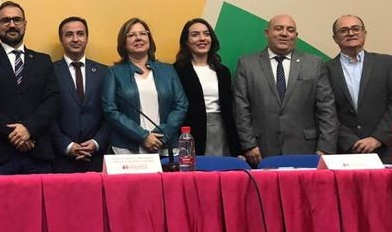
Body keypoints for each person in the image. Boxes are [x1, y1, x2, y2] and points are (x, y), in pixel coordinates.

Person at [233, 14, 338, 167]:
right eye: (278, 28)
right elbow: (241, 108)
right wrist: (249, 145)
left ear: (296, 35)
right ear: (266, 33)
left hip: (306, 150)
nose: (284, 33)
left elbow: (326, 109)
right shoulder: (247, 64)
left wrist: (326, 148)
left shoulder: (314, 63)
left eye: (290, 30)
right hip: (262, 150)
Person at [0, 1, 59, 174]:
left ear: (25, 24)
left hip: (37, 153)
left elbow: (53, 100)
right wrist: (15, 134)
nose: (12, 25)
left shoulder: (43, 61)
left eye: (17, 20)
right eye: (5, 21)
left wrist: (29, 129)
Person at [324, 15, 392, 163]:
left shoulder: (386, 64)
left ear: (364, 33)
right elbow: (325, 111)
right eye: (344, 30)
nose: (351, 33)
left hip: (382, 150)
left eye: (356, 28)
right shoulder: (325, 69)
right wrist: (349, 141)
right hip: (343, 153)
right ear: (335, 38)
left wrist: (377, 138)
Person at [102, 17, 188, 156]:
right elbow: (110, 110)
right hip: (128, 150)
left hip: (165, 148)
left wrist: (161, 135)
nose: (138, 38)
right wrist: (143, 136)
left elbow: (181, 105)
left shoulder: (168, 70)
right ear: (123, 43)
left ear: (149, 39)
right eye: (131, 35)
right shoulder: (113, 73)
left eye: (143, 33)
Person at [173, 19, 242, 156]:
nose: (202, 38)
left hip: (222, 131)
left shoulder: (223, 72)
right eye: (195, 35)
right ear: (186, 41)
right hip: (191, 133)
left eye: (206, 34)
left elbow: (230, 110)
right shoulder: (176, 71)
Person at [50, 17, 108, 172]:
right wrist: (66, 145)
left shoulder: (105, 72)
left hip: (97, 158)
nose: (75, 39)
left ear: (87, 38)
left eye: (80, 34)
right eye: (69, 34)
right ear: (61, 40)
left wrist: (96, 142)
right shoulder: (48, 72)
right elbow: (46, 116)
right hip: (61, 159)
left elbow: (111, 114)